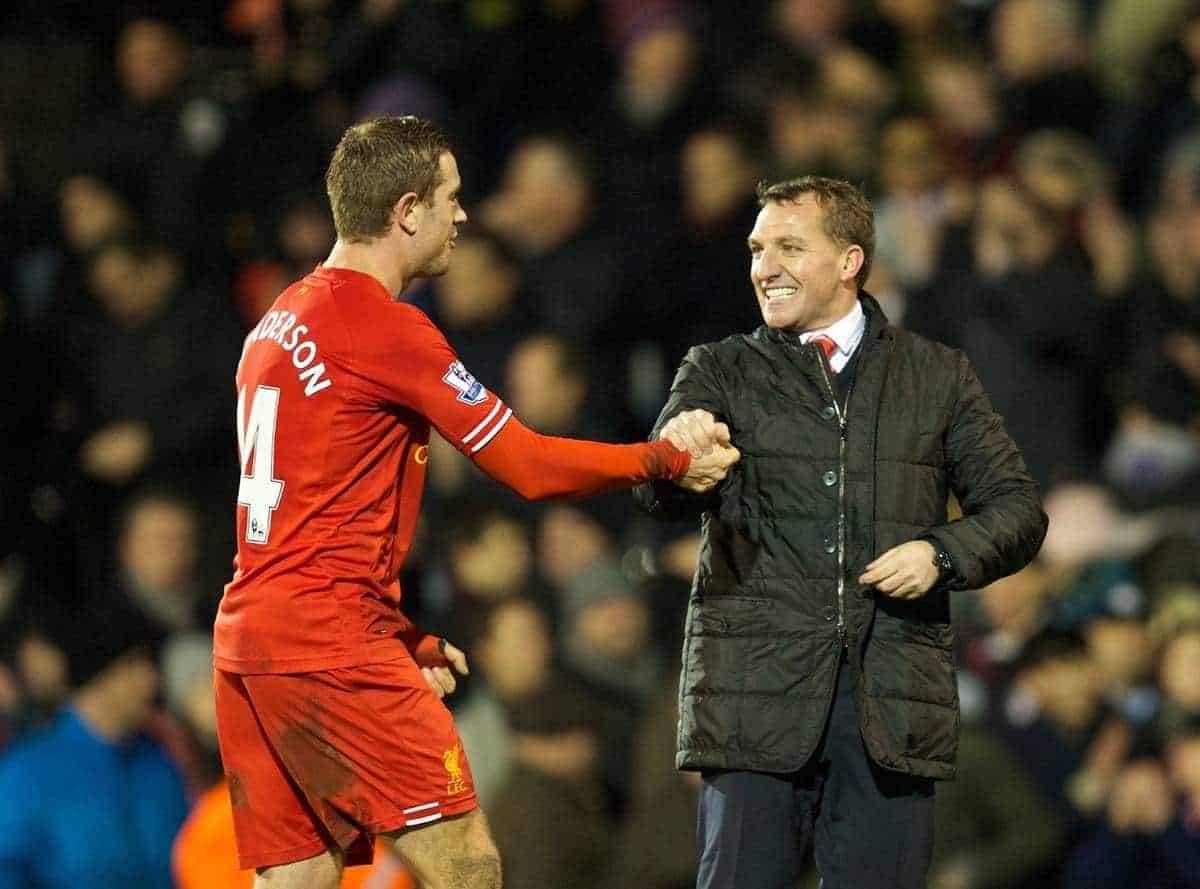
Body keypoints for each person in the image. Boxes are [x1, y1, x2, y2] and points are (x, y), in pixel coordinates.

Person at [212, 114, 738, 889]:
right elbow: (528, 464)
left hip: (252, 636)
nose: (465, 215)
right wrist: (665, 458)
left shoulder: (275, 323)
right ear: (407, 211)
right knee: (467, 867)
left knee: (298, 881)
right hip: (329, 638)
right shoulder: (384, 328)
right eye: (452, 197)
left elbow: (306, 519)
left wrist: (395, 629)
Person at [635, 175, 1048, 889]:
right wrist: (678, 459)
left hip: (889, 703)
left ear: (850, 259)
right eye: (758, 248)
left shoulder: (937, 375)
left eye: (789, 246)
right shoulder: (719, 368)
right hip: (751, 701)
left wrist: (940, 553)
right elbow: (652, 488)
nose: (765, 266)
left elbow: (1017, 511)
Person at [0, 595, 189, 889]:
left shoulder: (161, 764)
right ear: (99, 675)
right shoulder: (26, 775)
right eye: (133, 665)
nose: (151, 680)